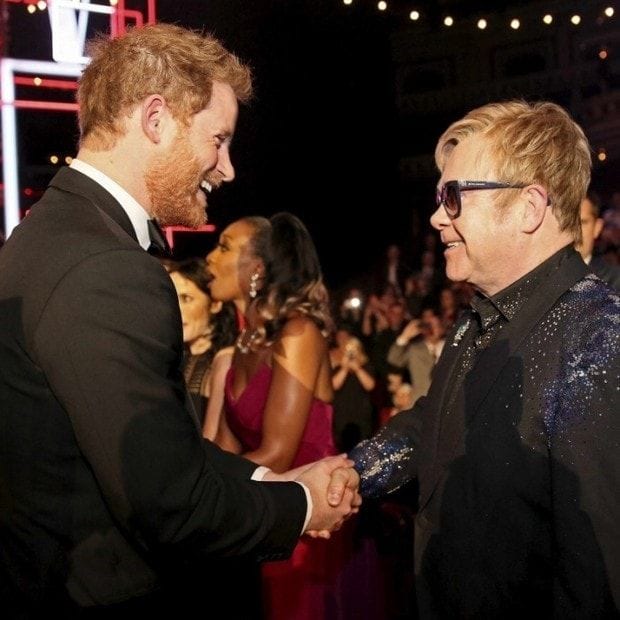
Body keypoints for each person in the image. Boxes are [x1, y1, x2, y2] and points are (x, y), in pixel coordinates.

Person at [0, 24, 359, 617]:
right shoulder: (106, 267)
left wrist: (269, 483)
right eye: (217, 140)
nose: (227, 168)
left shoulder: (46, 237)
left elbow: (146, 443)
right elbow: (168, 502)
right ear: (156, 119)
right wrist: (300, 506)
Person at [329, 100, 620, 616]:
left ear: (530, 207)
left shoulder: (599, 337)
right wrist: (353, 471)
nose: (439, 216)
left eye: (455, 196)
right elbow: (436, 423)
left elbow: (596, 571)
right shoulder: (477, 318)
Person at [207, 213, 362, 619]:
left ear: (256, 269)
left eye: (223, 247)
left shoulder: (298, 334)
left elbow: (278, 454)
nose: (209, 258)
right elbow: (223, 451)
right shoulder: (242, 343)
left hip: (306, 525)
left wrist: (196, 491)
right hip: (261, 517)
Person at [168, 258, 237, 439]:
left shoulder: (226, 361)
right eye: (170, 298)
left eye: (186, 298)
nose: (175, 309)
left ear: (215, 304)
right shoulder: (171, 359)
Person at [575, 191, 620, 290]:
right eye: (568, 222)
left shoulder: (614, 281)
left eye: (582, 222)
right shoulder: (542, 276)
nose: (575, 230)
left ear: (597, 227)